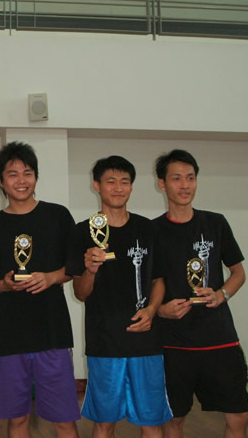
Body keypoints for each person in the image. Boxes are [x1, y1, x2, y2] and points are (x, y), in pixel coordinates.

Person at [0, 141, 80, 438]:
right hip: (10, 336)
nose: (21, 180)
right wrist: (4, 285)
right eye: (12, 174)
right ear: (0, 181)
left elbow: (75, 266)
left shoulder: (58, 216)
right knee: (17, 420)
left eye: (27, 173)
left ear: (36, 176)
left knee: (64, 419)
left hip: (53, 333)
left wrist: (51, 277)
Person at [65, 156, 172, 438]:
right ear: (96, 185)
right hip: (104, 341)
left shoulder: (148, 229)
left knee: (152, 421)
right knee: (104, 423)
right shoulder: (82, 231)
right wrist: (90, 269)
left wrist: (151, 310)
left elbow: (159, 280)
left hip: (146, 340)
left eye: (124, 182)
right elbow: (80, 293)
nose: (118, 188)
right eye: (110, 181)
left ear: (132, 187)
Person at [153, 149, 248, 438]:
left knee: (240, 414)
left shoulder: (216, 223)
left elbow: (238, 273)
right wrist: (161, 310)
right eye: (176, 178)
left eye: (190, 178)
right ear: (162, 184)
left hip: (220, 339)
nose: (185, 185)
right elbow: (148, 285)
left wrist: (222, 295)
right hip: (174, 344)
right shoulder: (152, 230)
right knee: (173, 420)